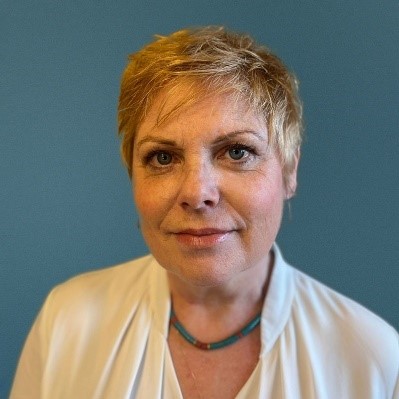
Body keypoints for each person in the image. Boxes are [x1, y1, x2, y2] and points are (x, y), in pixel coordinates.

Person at [11, 26, 398, 399]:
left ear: (289, 172)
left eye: (237, 152)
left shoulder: (373, 361)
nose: (197, 194)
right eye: (163, 157)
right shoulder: (66, 323)